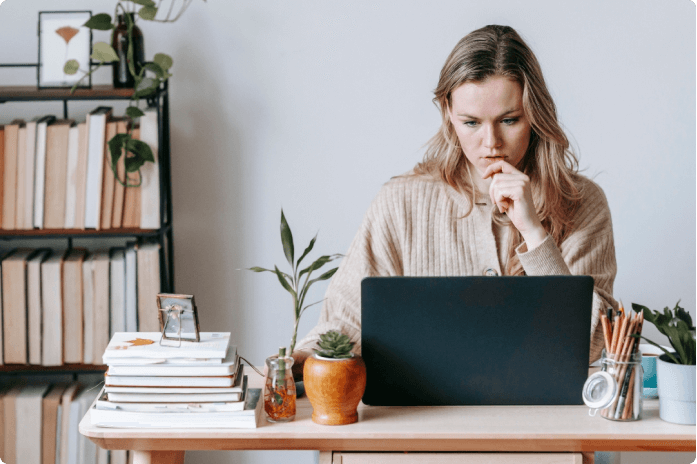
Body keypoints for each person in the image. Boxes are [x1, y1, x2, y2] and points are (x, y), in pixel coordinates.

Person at [291, 24, 618, 380]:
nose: (490, 142)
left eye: (509, 120)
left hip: (543, 419)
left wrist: (534, 233)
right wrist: (294, 365)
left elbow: (595, 344)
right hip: (425, 420)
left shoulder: (582, 202)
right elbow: (345, 319)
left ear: (535, 115)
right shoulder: (401, 203)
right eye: (471, 122)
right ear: (448, 112)